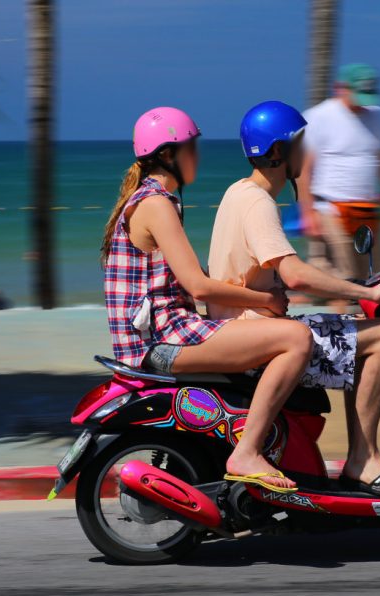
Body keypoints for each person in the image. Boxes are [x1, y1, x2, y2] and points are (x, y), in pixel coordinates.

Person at [208, 100, 380, 499]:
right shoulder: (258, 203)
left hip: (248, 328)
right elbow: (295, 273)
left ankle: (360, 456)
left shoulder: (238, 192)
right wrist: (367, 292)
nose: (308, 153)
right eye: (300, 144)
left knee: (355, 331)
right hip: (258, 338)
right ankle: (365, 458)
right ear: (276, 152)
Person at [102, 107, 315, 493]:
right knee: (296, 338)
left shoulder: (149, 200)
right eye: (191, 147)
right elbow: (198, 286)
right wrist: (263, 300)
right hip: (163, 342)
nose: (197, 155)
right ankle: (248, 452)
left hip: (163, 334)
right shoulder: (156, 204)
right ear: (168, 155)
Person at [298, 63, 380, 281]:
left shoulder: (377, 116)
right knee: (344, 278)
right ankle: (342, 312)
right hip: (329, 209)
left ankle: (371, 315)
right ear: (341, 88)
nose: (363, 104)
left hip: (367, 210)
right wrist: (308, 214)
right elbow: (303, 171)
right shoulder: (319, 116)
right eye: (358, 95)